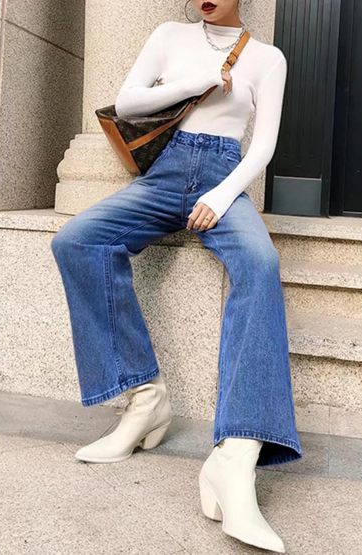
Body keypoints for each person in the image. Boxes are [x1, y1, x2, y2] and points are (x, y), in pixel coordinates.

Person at [51, 0, 302, 551]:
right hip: (162, 177)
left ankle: (236, 455)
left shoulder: (268, 57)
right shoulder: (169, 35)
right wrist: (198, 80)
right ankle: (145, 399)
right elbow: (130, 101)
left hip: (223, 176)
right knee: (77, 240)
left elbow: (263, 144)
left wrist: (221, 195)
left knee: (261, 264)